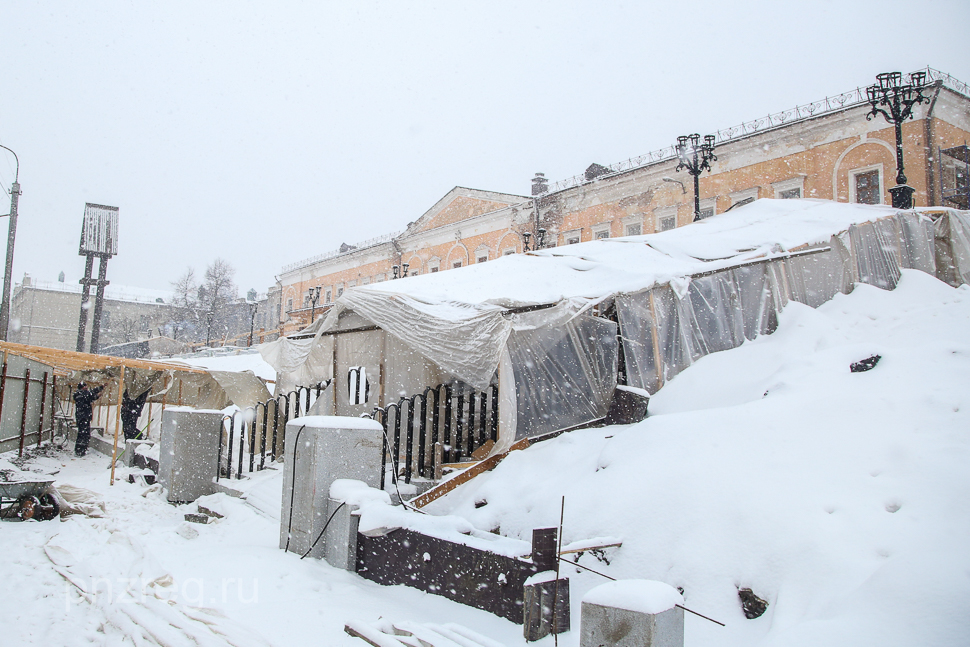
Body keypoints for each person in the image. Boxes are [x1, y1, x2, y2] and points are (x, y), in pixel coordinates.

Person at [73, 381, 104, 457]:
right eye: (85, 387)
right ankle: (81, 450)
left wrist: (100, 388)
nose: (86, 388)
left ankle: (79, 449)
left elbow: (90, 394)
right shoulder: (81, 395)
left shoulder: (79, 394)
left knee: (82, 433)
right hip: (83, 417)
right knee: (84, 434)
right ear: (82, 388)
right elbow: (90, 395)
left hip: (82, 417)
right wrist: (97, 395)